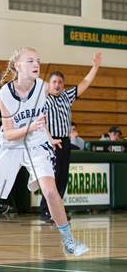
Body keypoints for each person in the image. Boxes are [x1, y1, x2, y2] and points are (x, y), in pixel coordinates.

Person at [0, 47, 89, 260]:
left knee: (51, 191)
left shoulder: (43, 87)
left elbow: (41, 117)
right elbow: (9, 134)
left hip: (36, 145)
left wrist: (48, 136)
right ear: (18, 66)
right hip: (10, 146)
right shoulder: (4, 95)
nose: (36, 64)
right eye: (30, 61)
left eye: (38, 60)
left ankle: (69, 242)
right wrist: (31, 128)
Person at [41, 52, 101, 222]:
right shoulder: (43, 99)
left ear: (63, 84)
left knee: (62, 178)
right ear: (49, 84)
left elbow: (85, 82)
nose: (57, 84)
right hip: (50, 141)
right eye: (54, 82)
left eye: (60, 82)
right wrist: (48, 139)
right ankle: (46, 210)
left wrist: (95, 66)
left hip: (65, 141)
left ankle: (57, 211)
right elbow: (40, 122)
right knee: (51, 178)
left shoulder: (67, 97)